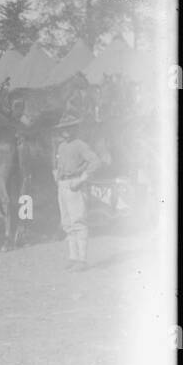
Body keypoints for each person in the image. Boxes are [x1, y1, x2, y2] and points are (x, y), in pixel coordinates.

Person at [52, 116, 101, 271]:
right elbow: (59, 164)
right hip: (63, 185)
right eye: (63, 128)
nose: (66, 131)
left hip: (75, 185)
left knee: (78, 222)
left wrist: (82, 179)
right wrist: (56, 175)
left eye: (69, 127)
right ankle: (73, 257)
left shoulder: (80, 145)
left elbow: (95, 161)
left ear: (75, 129)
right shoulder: (61, 146)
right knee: (67, 223)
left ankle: (82, 260)